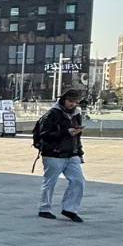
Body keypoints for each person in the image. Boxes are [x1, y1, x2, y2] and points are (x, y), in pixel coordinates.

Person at [35, 88, 86, 222]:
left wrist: (79, 152)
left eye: (75, 102)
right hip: (53, 154)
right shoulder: (52, 114)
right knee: (50, 182)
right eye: (70, 101)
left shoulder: (76, 114)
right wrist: (65, 132)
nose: (72, 104)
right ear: (63, 100)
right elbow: (43, 134)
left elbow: (77, 137)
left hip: (71, 154)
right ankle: (44, 208)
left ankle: (70, 209)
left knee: (79, 180)